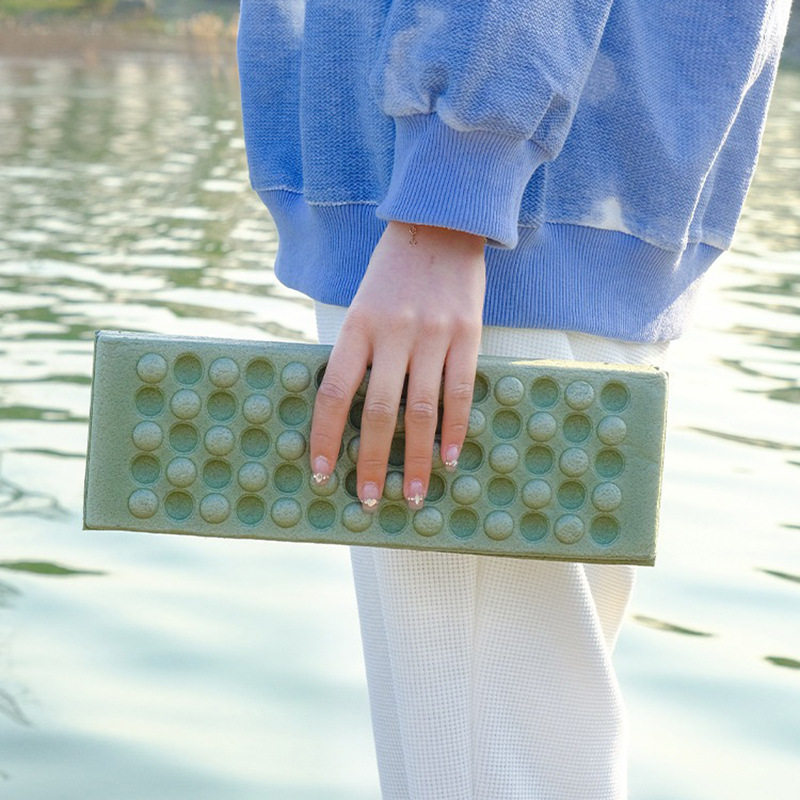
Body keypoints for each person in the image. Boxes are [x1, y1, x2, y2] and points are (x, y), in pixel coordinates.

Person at [236, 2, 790, 797]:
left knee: (484, 767)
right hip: (494, 211)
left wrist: (451, 193)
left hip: (474, 235)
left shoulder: (453, 210)